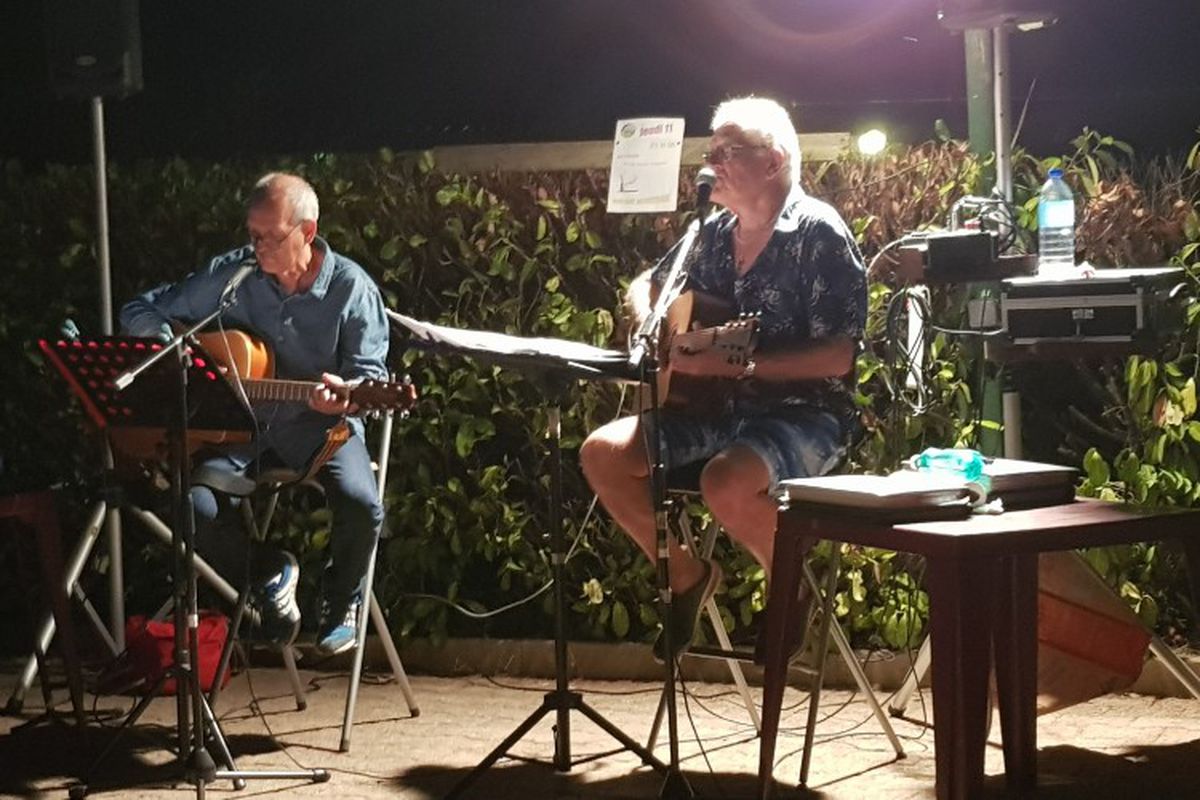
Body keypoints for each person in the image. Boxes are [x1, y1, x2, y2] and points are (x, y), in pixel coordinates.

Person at [580, 97, 868, 660]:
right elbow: (647, 284)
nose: (710, 165)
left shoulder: (819, 233)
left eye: (728, 152)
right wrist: (657, 322)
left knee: (725, 482)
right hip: (711, 408)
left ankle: (789, 584)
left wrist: (745, 365)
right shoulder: (710, 233)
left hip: (806, 414)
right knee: (602, 455)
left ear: (774, 160)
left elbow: (838, 357)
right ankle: (686, 574)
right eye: (710, 152)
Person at [120, 172, 390, 655]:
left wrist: (346, 396)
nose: (259, 247)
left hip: (322, 428)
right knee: (190, 509)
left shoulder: (351, 289)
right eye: (253, 234)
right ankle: (268, 572)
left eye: (272, 236)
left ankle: (341, 600)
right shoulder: (234, 276)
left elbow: (368, 375)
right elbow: (141, 308)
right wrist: (171, 348)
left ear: (307, 232)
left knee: (361, 503)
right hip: (244, 431)